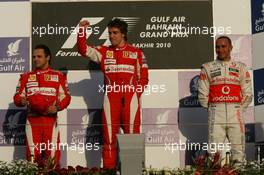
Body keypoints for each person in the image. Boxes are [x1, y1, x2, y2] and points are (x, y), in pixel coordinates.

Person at [77, 18, 149, 169]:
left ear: (123, 34)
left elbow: (143, 78)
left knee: (132, 139)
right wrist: (82, 30)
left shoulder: (136, 52)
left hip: (130, 98)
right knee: (108, 138)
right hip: (111, 98)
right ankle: (109, 171)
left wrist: (135, 93)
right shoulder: (104, 51)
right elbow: (83, 49)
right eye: (109, 33)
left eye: (115, 33)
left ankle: (132, 171)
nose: (111, 36)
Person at [13, 44, 71, 166]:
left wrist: (57, 107)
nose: (36, 59)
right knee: (32, 158)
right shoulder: (26, 77)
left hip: (50, 120)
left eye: (39, 56)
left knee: (53, 156)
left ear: (48, 57)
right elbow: (17, 97)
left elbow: (66, 97)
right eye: (34, 57)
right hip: (33, 121)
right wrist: (22, 101)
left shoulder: (59, 76)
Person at [198, 36, 253, 163]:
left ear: (231, 48)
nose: (220, 49)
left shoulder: (241, 67)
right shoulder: (207, 67)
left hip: (236, 112)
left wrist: (238, 108)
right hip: (216, 113)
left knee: (239, 151)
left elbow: (248, 93)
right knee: (213, 152)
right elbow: (202, 94)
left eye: (223, 46)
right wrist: (213, 108)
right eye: (217, 47)